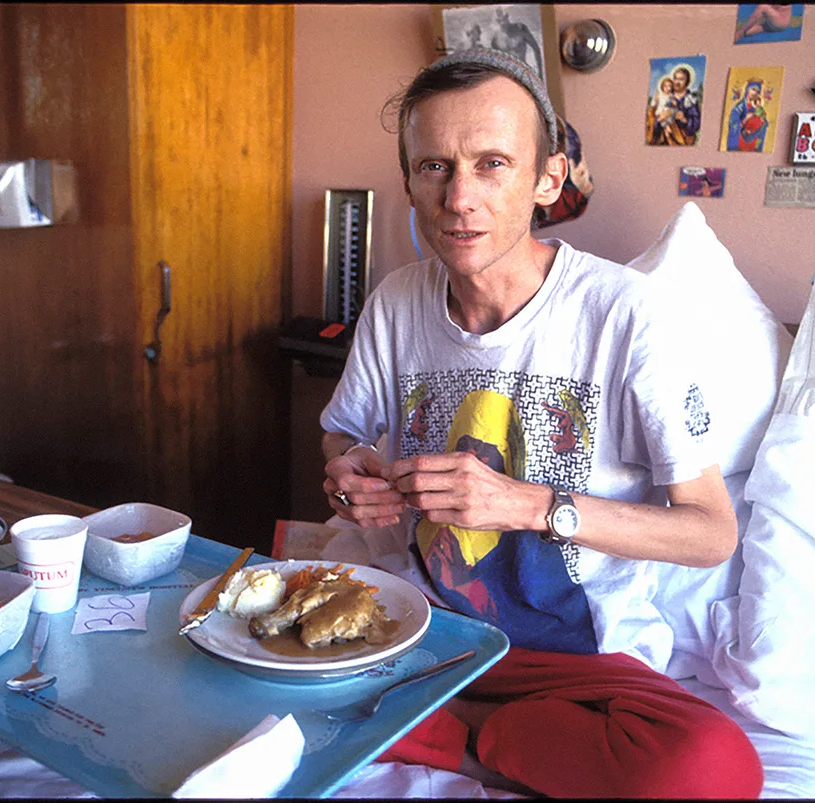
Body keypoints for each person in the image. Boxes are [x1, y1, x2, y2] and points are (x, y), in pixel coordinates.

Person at [319, 48, 763, 798]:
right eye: (434, 167)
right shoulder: (397, 300)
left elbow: (710, 532)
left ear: (546, 179)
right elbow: (343, 436)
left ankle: (441, 733)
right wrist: (348, 470)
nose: (459, 198)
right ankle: (444, 714)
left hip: (578, 661)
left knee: (715, 768)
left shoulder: (626, 314)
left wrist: (526, 505)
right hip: (424, 631)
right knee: (228, 658)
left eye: (491, 163)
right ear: (410, 181)